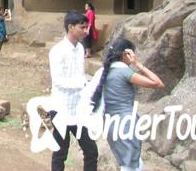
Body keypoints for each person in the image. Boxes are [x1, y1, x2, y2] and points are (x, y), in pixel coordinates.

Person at [89, 38, 164, 171]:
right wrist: (138, 64)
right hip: (126, 124)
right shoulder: (124, 72)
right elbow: (157, 83)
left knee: (131, 163)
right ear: (126, 54)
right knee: (130, 166)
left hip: (111, 124)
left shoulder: (104, 72)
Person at [47, 10, 98, 171]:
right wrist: (82, 84)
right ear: (70, 27)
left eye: (86, 27)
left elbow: (80, 75)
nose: (86, 31)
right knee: (60, 152)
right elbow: (58, 80)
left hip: (78, 110)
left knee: (91, 150)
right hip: (61, 109)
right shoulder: (58, 51)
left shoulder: (80, 49)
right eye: (82, 27)